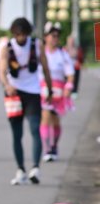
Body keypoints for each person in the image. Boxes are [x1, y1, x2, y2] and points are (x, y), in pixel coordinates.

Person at [0, 17, 52, 186]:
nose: (21, 38)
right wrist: (7, 85)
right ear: (14, 34)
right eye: (18, 34)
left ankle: (35, 168)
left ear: (28, 33)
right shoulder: (7, 47)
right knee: (17, 133)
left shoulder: (36, 44)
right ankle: (20, 169)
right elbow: (2, 70)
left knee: (35, 129)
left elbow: (45, 67)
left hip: (33, 92)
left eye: (24, 34)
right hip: (14, 93)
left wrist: (49, 89)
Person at [40, 22, 75, 161]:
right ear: (46, 37)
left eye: (57, 36)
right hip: (43, 89)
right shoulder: (40, 53)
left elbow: (70, 73)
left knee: (55, 120)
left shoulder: (62, 54)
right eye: (52, 35)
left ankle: (54, 146)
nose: (55, 38)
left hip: (58, 90)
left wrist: (68, 87)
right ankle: (46, 148)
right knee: (45, 116)